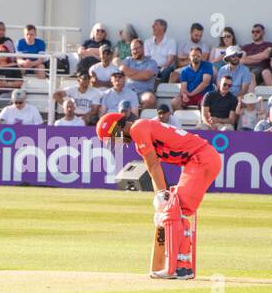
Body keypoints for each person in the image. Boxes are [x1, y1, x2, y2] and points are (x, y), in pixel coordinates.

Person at [95, 111, 222, 281]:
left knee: (176, 210)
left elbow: (154, 166)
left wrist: (162, 198)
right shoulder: (140, 130)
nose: (115, 143)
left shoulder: (138, 129)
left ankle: (180, 269)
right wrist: (160, 203)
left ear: (117, 128)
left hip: (201, 159)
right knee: (174, 210)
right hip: (199, 160)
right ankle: (181, 267)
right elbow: (153, 168)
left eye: (112, 138)